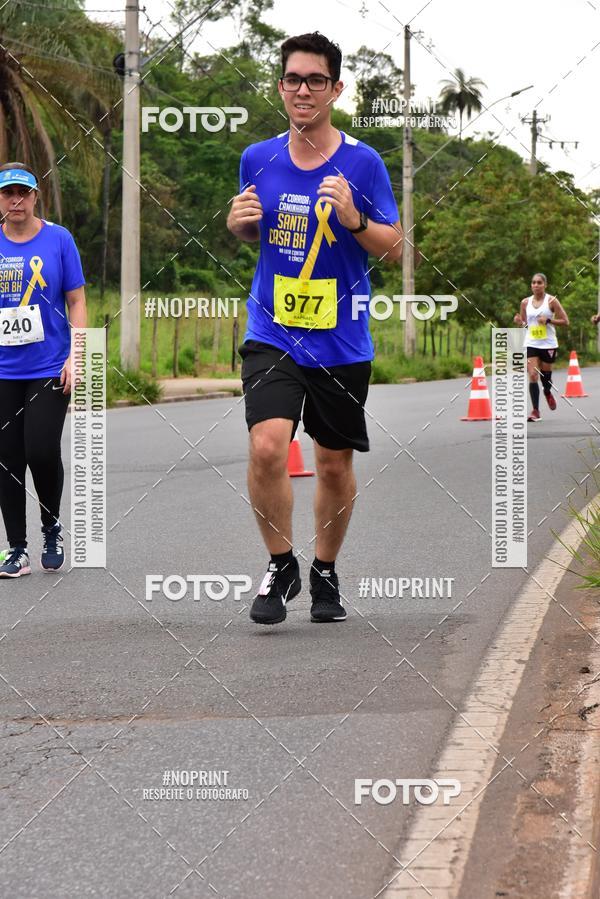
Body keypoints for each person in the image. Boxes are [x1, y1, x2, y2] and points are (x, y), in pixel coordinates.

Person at [226, 32, 402, 626]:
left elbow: (397, 249)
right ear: (281, 86)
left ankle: (325, 571)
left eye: (316, 81)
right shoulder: (258, 157)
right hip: (273, 328)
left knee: (332, 463)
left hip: (341, 336)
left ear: (336, 88)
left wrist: (355, 218)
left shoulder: (363, 162)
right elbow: (256, 231)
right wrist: (239, 224)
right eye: (293, 79)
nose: (303, 90)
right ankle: (281, 564)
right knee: (267, 444)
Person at [0, 163, 86, 577]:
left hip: (50, 366)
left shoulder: (58, 239)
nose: (15, 200)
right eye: (7, 193)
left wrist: (78, 354)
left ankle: (51, 527)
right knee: (7, 458)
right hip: (3, 370)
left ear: (36, 196)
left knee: (39, 449)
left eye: (23, 192)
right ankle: (17, 549)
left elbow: (78, 301)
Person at [513, 273, 569, 422]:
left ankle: (547, 391)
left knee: (545, 375)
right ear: (531, 285)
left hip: (548, 343)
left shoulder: (552, 301)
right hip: (531, 342)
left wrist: (549, 320)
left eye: (539, 282)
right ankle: (535, 411)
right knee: (532, 375)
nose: (536, 285)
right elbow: (526, 323)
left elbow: (565, 321)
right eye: (533, 282)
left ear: (545, 285)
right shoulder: (525, 302)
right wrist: (519, 321)